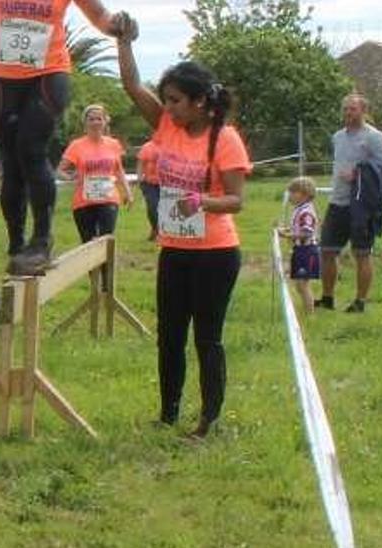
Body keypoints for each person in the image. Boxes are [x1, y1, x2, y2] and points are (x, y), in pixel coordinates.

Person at [115, 14, 251, 439]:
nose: (168, 108)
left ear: (199, 102)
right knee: (169, 335)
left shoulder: (223, 139)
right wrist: (124, 43)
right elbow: (132, 88)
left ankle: (208, 419)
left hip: (215, 253)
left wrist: (201, 202)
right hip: (175, 250)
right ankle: (168, 412)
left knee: (206, 337)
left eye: (175, 100)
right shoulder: (166, 126)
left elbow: (237, 201)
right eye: (166, 100)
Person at [0, 0, 128, 275]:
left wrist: (118, 27)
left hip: (47, 75)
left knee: (30, 149)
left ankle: (41, 241)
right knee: (11, 161)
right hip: (1, 80)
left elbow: (99, 15)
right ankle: (16, 246)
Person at [318, 94, 382, 313]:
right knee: (327, 250)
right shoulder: (338, 137)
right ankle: (327, 298)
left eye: (352, 109)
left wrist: (359, 172)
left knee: (361, 253)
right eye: (345, 109)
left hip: (362, 204)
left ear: (364, 111)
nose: (348, 113)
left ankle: (360, 301)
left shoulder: (375, 137)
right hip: (337, 201)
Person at [56, 104, 133, 244]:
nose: (95, 122)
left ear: (105, 121)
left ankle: (105, 267)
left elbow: (119, 170)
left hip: (109, 198)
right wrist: (71, 177)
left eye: (99, 119)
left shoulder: (114, 144)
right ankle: (93, 267)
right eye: (91, 119)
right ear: (85, 122)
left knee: (106, 240)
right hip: (84, 201)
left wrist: (128, 192)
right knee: (88, 243)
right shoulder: (76, 145)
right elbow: (60, 171)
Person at [279, 177, 321, 315]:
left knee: (302, 284)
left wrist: (288, 236)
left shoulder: (306, 212)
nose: (290, 195)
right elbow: (298, 229)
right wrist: (288, 231)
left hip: (307, 251)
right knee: (299, 284)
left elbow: (306, 233)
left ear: (304, 194)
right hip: (299, 250)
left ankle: (310, 313)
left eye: (293, 192)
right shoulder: (299, 209)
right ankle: (308, 310)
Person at [137, 140, 160, 241]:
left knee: (166, 210)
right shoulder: (147, 146)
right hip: (149, 183)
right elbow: (141, 163)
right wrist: (139, 177)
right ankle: (156, 229)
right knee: (152, 207)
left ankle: (160, 232)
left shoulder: (172, 145)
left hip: (167, 184)